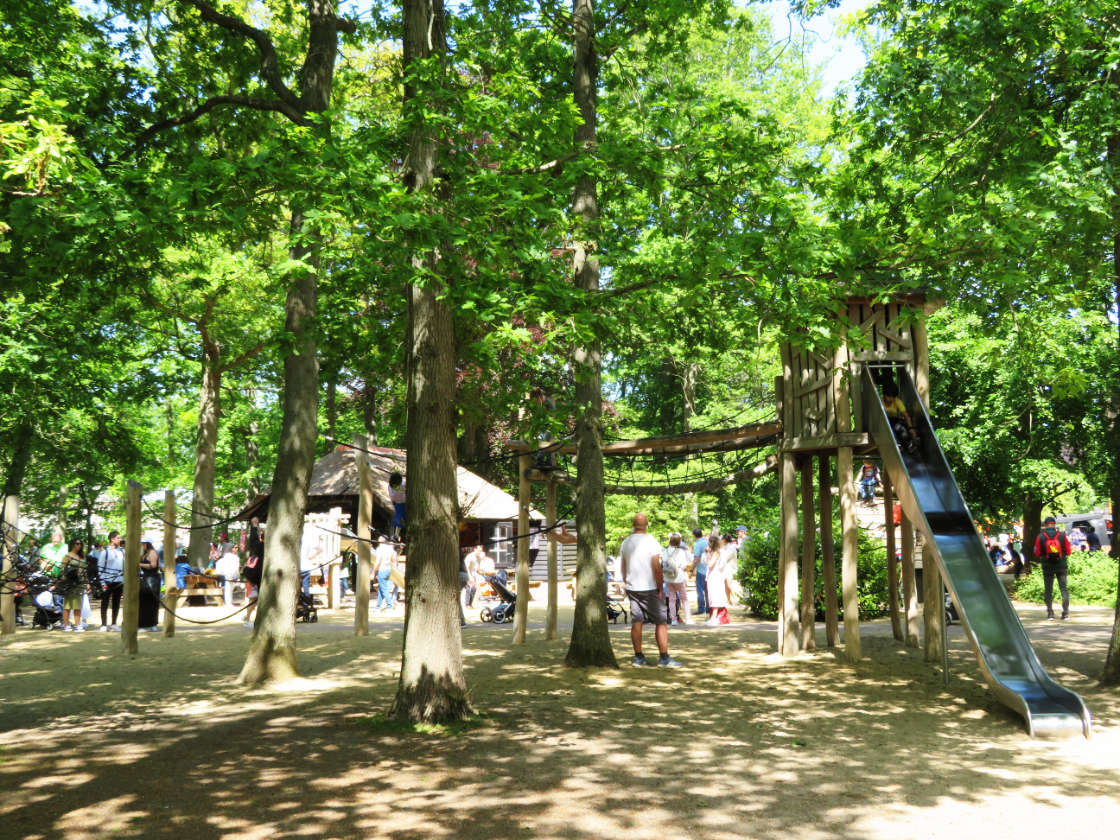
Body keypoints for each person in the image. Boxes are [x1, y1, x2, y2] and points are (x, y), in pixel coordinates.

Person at [620, 513, 680, 668]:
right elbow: (656, 567)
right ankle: (664, 657)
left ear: (633, 524)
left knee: (637, 621)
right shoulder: (651, 541)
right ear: (646, 524)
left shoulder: (625, 542)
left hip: (633, 588)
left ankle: (638, 657)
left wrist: (627, 582)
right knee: (661, 621)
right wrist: (660, 588)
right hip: (649, 587)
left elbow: (623, 567)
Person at [1034, 516, 1073, 619]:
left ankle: (1050, 613)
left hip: (1047, 567)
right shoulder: (1062, 535)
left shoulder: (1041, 536)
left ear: (1045, 524)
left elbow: (1037, 553)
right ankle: (1065, 613)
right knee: (1064, 589)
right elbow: (1069, 552)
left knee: (1048, 590)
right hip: (1061, 566)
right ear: (1054, 524)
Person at [661, 533, 692, 625]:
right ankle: (688, 618)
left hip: (668, 578)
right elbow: (683, 565)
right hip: (679, 577)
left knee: (671, 599)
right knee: (684, 598)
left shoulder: (665, 551)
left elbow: (663, 564)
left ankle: (673, 619)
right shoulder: (681, 552)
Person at [881, 381, 919, 455]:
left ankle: (909, 445)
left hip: (895, 420)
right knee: (891, 428)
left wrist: (911, 428)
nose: (891, 399)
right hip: (884, 421)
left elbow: (906, 416)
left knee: (901, 428)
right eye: (889, 396)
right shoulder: (880, 402)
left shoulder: (897, 401)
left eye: (893, 397)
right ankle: (897, 444)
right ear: (884, 395)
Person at [58, 538, 87, 632]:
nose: (79, 545)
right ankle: (66, 625)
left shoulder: (82, 556)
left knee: (78, 604)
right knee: (67, 605)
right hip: (70, 583)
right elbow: (62, 569)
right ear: (73, 544)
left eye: (80, 544)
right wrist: (70, 574)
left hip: (80, 583)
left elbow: (85, 570)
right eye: (77, 543)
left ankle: (77, 625)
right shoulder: (68, 556)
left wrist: (87, 582)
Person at [706, 534, 735, 625]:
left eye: (710, 542)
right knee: (711, 595)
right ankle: (713, 616)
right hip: (712, 575)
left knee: (715, 595)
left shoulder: (717, 553)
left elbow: (710, 564)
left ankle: (714, 617)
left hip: (716, 575)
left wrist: (707, 554)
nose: (708, 544)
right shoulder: (715, 552)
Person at [99, 530, 125, 631]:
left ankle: (114, 623)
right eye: (118, 538)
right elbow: (100, 568)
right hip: (107, 581)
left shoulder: (122, 551)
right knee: (104, 602)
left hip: (119, 581)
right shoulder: (104, 552)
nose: (120, 540)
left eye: (120, 538)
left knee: (116, 602)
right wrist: (102, 582)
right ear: (112, 539)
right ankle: (104, 624)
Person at [138, 541, 161, 631]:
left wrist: (139, 564)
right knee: (143, 602)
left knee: (151, 602)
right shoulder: (144, 553)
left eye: (143, 544)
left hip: (152, 578)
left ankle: (152, 624)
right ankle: (143, 624)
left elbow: (153, 565)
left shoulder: (152, 552)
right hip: (145, 578)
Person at [374, 536, 396, 611]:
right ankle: (378, 606)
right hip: (388, 569)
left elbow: (378, 561)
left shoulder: (379, 549)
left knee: (384, 589)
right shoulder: (390, 548)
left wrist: (373, 572)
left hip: (382, 569)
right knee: (381, 588)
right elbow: (393, 559)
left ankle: (389, 605)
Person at [691, 528, 709, 617]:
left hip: (701, 570)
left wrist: (691, 569)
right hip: (709, 570)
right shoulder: (707, 542)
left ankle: (701, 608)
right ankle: (709, 608)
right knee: (707, 590)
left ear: (694, 535)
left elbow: (696, 559)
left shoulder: (697, 544)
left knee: (700, 590)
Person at [388, 471, 407, 540]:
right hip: (398, 504)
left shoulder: (402, 484)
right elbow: (392, 497)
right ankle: (396, 535)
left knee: (400, 519)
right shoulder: (391, 486)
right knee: (399, 519)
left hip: (402, 504)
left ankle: (397, 534)